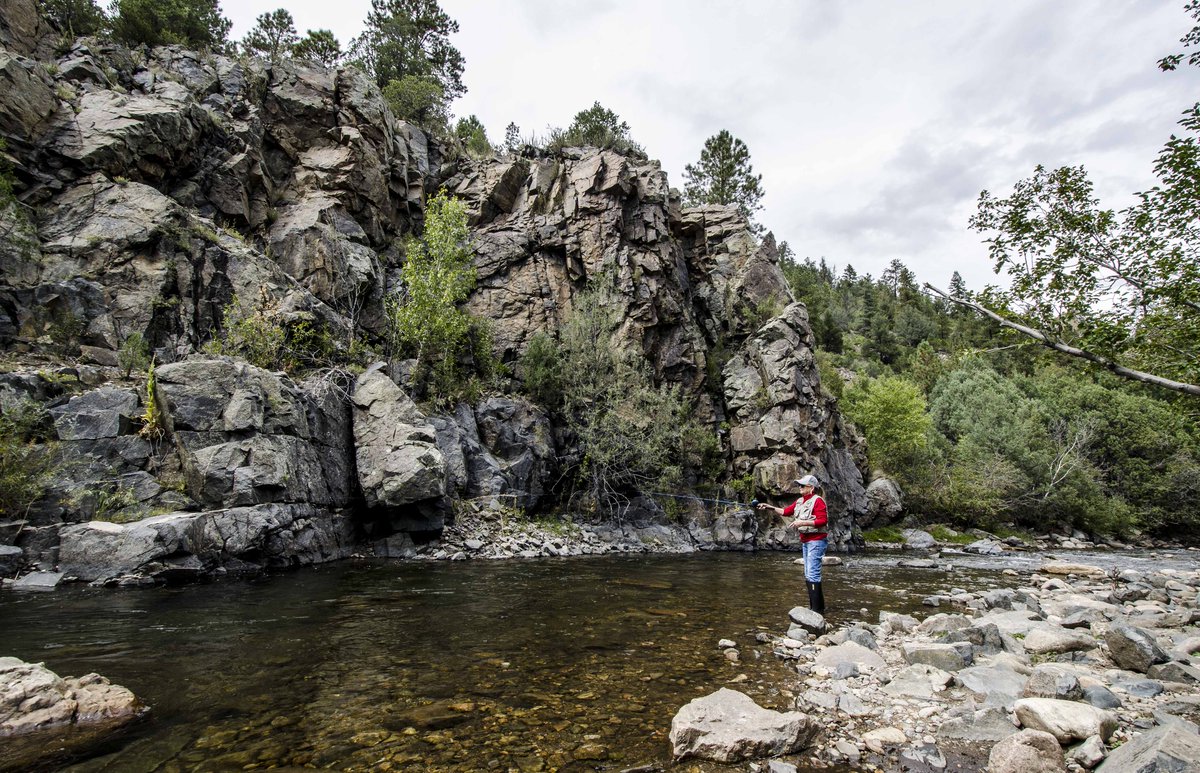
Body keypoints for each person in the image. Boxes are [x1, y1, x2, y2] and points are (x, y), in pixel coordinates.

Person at [756, 474, 827, 614]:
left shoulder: (818, 501)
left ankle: (816, 611)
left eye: (802, 485)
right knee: (808, 574)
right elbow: (786, 512)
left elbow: (822, 521)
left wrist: (802, 522)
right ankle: (817, 608)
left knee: (812, 574)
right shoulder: (800, 501)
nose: (799, 487)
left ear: (811, 488)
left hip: (817, 541)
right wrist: (769, 507)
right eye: (799, 485)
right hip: (806, 541)